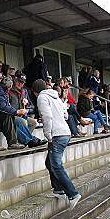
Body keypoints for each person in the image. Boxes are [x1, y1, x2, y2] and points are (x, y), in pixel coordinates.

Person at [32, 79, 81, 209]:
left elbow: (47, 117)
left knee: (56, 165)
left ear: (35, 91)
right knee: (50, 162)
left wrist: (48, 135)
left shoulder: (42, 97)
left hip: (57, 135)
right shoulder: (56, 97)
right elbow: (65, 115)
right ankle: (58, 190)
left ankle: (73, 194)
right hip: (65, 132)